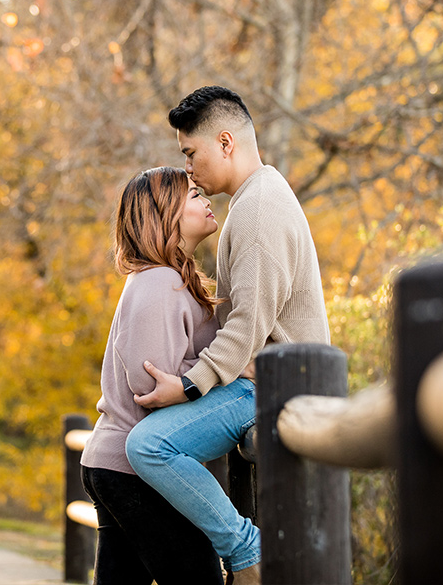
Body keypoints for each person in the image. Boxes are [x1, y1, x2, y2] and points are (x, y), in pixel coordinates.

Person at [125, 86, 331, 585]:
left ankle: (246, 552)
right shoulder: (253, 199)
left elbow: (248, 325)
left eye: (190, 154)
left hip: (273, 387)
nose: (188, 169)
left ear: (225, 141)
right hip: (261, 381)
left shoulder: (260, 208)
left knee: (148, 446)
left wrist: (191, 385)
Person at [79, 166, 226, 585]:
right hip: (133, 469)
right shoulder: (160, 282)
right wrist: (227, 372)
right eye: (194, 195)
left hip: (120, 465)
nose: (207, 200)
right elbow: (151, 385)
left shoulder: (169, 279)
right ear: (165, 214)